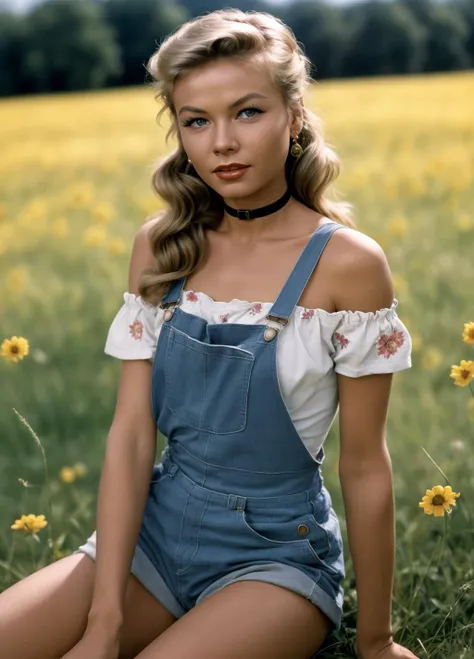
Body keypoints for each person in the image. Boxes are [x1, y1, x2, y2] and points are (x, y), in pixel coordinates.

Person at [0, 8, 418, 659]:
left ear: (294, 115)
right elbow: (132, 435)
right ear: (181, 132)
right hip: (154, 538)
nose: (222, 141)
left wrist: (379, 641)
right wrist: (101, 622)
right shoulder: (162, 246)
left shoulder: (350, 267)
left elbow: (364, 465)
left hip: (276, 559)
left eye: (247, 112)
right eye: (197, 119)